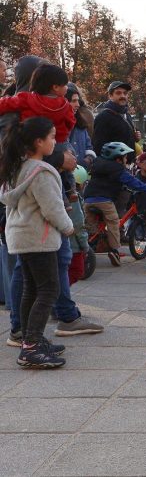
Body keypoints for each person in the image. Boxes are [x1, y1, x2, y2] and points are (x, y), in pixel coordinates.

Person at [0, 117, 73, 368]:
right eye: (52, 137)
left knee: (32, 288)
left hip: (22, 237)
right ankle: (30, 347)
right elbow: (52, 207)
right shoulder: (41, 172)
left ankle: (32, 339)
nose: (55, 142)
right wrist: (68, 226)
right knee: (48, 289)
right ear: (38, 142)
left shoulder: (17, 168)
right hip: (38, 238)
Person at [82, 142, 146, 266]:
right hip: (104, 201)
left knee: (91, 226)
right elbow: (132, 182)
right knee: (113, 223)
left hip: (88, 200)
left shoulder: (97, 164)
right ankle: (114, 250)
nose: (126, 160)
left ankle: (89, 245)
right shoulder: (118, 169)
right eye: (125, 157)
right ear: (118, 159)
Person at [92, 81, 140, 164]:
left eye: (125, 93)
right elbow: (98, 146)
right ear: (110, 96)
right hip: (113, 168)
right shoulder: (103, 117)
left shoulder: (127, 115)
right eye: (118, 93)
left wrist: (134, 137)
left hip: (129, 165)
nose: (122, 96)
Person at [65, 84, 93, 166]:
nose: (78, 105)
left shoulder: (81, 124)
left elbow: (89, 146)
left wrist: (89, 158)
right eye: (74, 101)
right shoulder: (57, 126)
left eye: (78, 101)